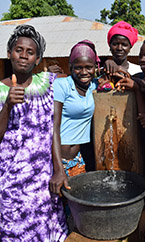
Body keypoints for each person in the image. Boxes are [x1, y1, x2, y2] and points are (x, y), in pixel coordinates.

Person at [0, 24, 68, 241]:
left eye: (30, 52)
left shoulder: (48, 84)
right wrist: (7, 106)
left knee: (47, 233)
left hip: (42, 183)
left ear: (37, 59)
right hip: (9, 186)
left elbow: (80, 76)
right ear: (9, 54)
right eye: (19, 50)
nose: (24, 56)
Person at [49, 40, 100, 196]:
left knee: (75, 206)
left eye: (88, 67)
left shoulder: (94, 86)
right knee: (55, 207)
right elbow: (54, 127)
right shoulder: (62, 85)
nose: (84, 72)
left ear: (95, 68)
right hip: (56, 159)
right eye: (78, 68)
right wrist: (58, 169)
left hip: (77, 159)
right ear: (71, 68)